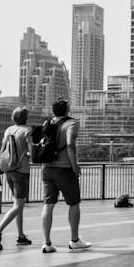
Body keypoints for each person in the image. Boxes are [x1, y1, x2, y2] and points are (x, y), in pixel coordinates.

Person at [40, 97, 91, 253]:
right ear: (67, 109)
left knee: (48, 205)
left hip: (47, 169)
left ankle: (47, 243)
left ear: (54, 110)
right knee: (74, 203)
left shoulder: (47, 123)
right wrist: (74, 166)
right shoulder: (72, 123)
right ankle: (74, 240)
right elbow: (70, 144)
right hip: (64, 169)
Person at [0, 106, 34, 250]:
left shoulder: (8, 130)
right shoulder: (27, 130)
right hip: (21, 171)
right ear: (25, 118)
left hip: (8, 169)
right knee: (18, 205)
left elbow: (4, 148)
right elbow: (31, 152)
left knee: (17, 204)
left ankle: (21, 236)